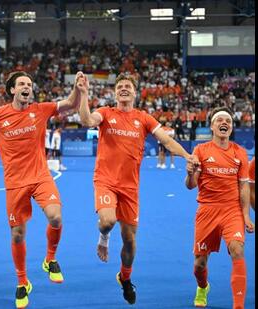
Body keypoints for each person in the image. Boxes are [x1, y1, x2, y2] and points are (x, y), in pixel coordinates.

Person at [0, 71, 84, 308]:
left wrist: (78, 87)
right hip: (15, 183)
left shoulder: (41, 109)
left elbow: (72, 103)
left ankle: (50, 259)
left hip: (41, 176)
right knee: (17, 234)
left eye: (30, 84)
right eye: (22, 84)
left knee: (55, 217)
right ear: (12, 90)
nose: (27, 87)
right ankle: (22, 282)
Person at [78, 73, 198, 305]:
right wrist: (83, 94)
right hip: (105, 180)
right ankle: (103, 238)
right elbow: (86, 120)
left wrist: (186, 155)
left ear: (135, 92)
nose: (124, 89)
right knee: (107, 221)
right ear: (115, 93)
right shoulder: (105, 113)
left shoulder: (143, 118)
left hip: (130, 188)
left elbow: (166, 140)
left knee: (130, 241)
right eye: (120, 86)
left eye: (128, 87)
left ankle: (124, 278)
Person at [185, 106, 254, 309]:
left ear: (231, 128)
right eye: (220, 120)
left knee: (237, 250)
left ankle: (238, 306)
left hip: (232, 210)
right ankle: (203, 287)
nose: (224, 123)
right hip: (207, 210)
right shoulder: (200, 151)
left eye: (228, 121)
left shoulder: (240, 152)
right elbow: (190, 185)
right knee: (199, 264)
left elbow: (244, 186)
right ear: (212, 126)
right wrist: (190, 173)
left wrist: (246, 216)